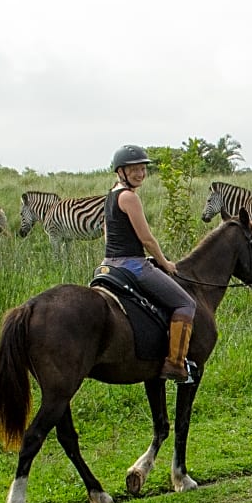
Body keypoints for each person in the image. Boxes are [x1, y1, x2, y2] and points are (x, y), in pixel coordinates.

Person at [99, 144, 196, 382]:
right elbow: (147, 239)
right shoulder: (129, 197)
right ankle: (175, 364)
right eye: (134, 169)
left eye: (143, 168)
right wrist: (165, 263)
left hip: (108, 265)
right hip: (132, 266)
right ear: (120, 171)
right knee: (186, 304)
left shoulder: (111, 195)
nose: (140, 173)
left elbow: (106, 233)